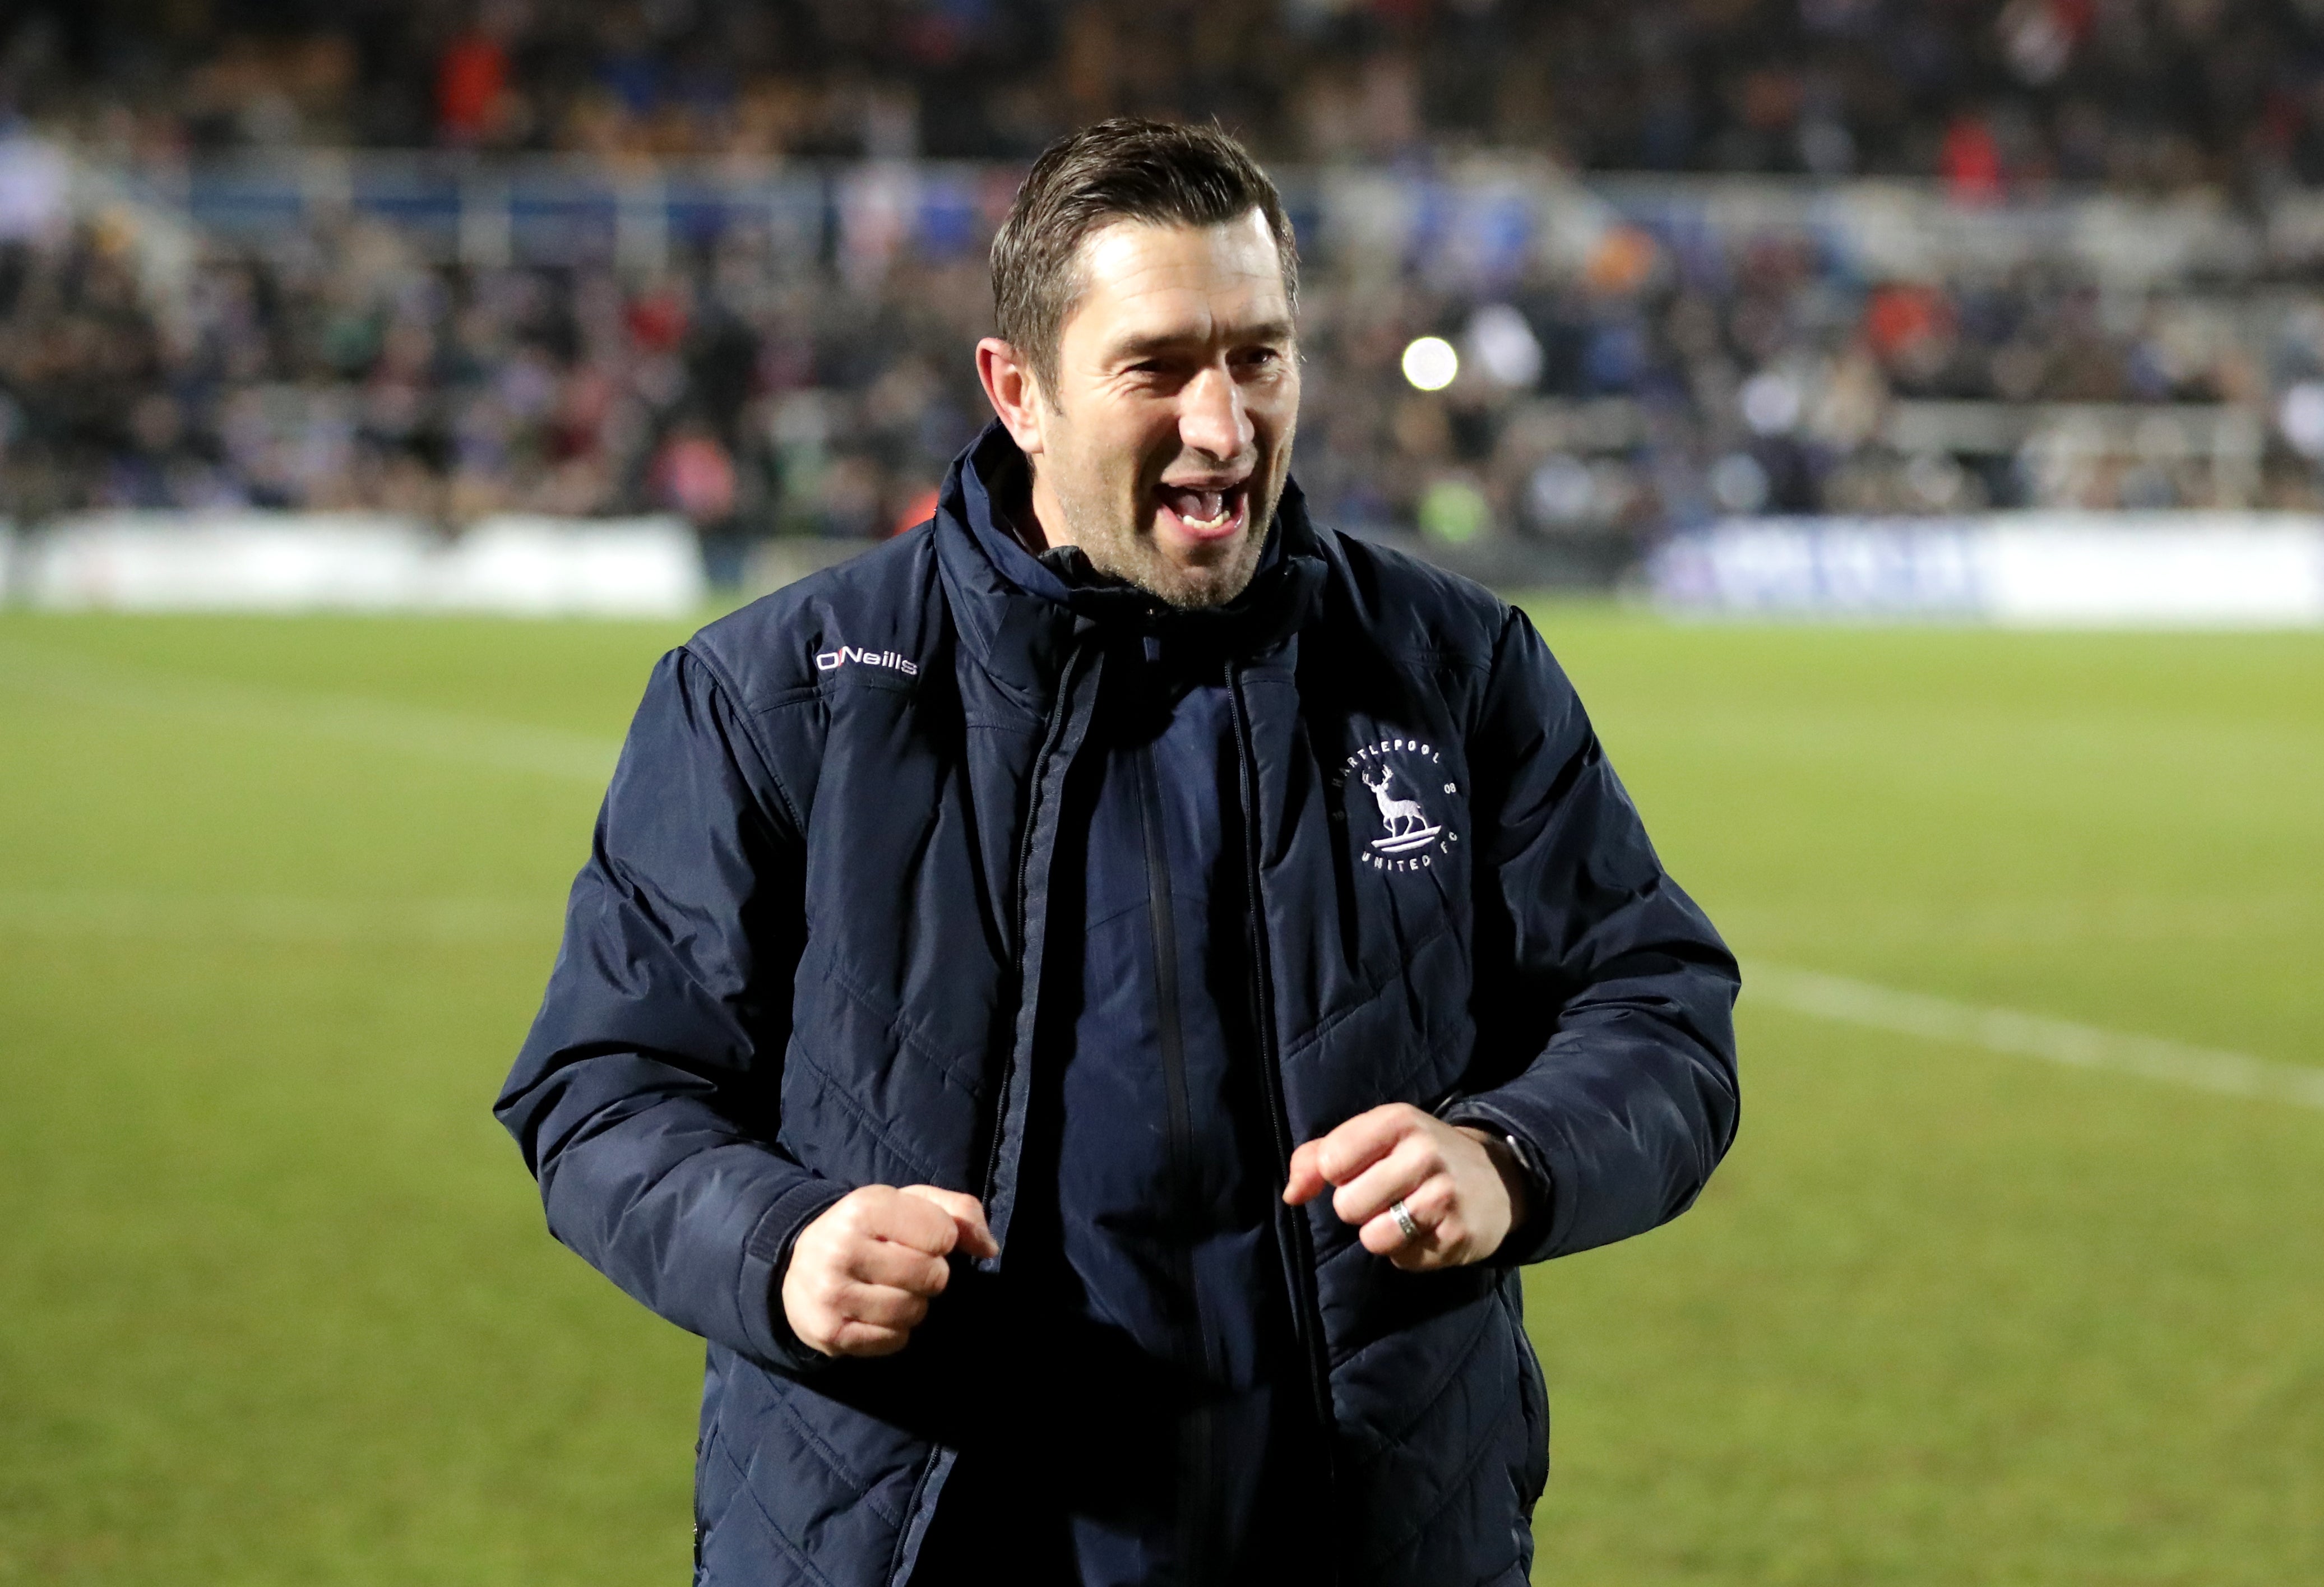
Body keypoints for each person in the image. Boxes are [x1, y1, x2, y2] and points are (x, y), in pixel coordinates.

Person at [496, 118, 1739, 1587]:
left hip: (1353, 1538)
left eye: (1258, 356)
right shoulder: (778, 696)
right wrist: (780, 1246)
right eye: (1157, 368)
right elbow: (603, 1087)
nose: (1222, 426)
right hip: (922, 1544)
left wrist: (1512, 1157)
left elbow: (1655, 1013)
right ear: (1017, 392)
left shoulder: (1452, 673)